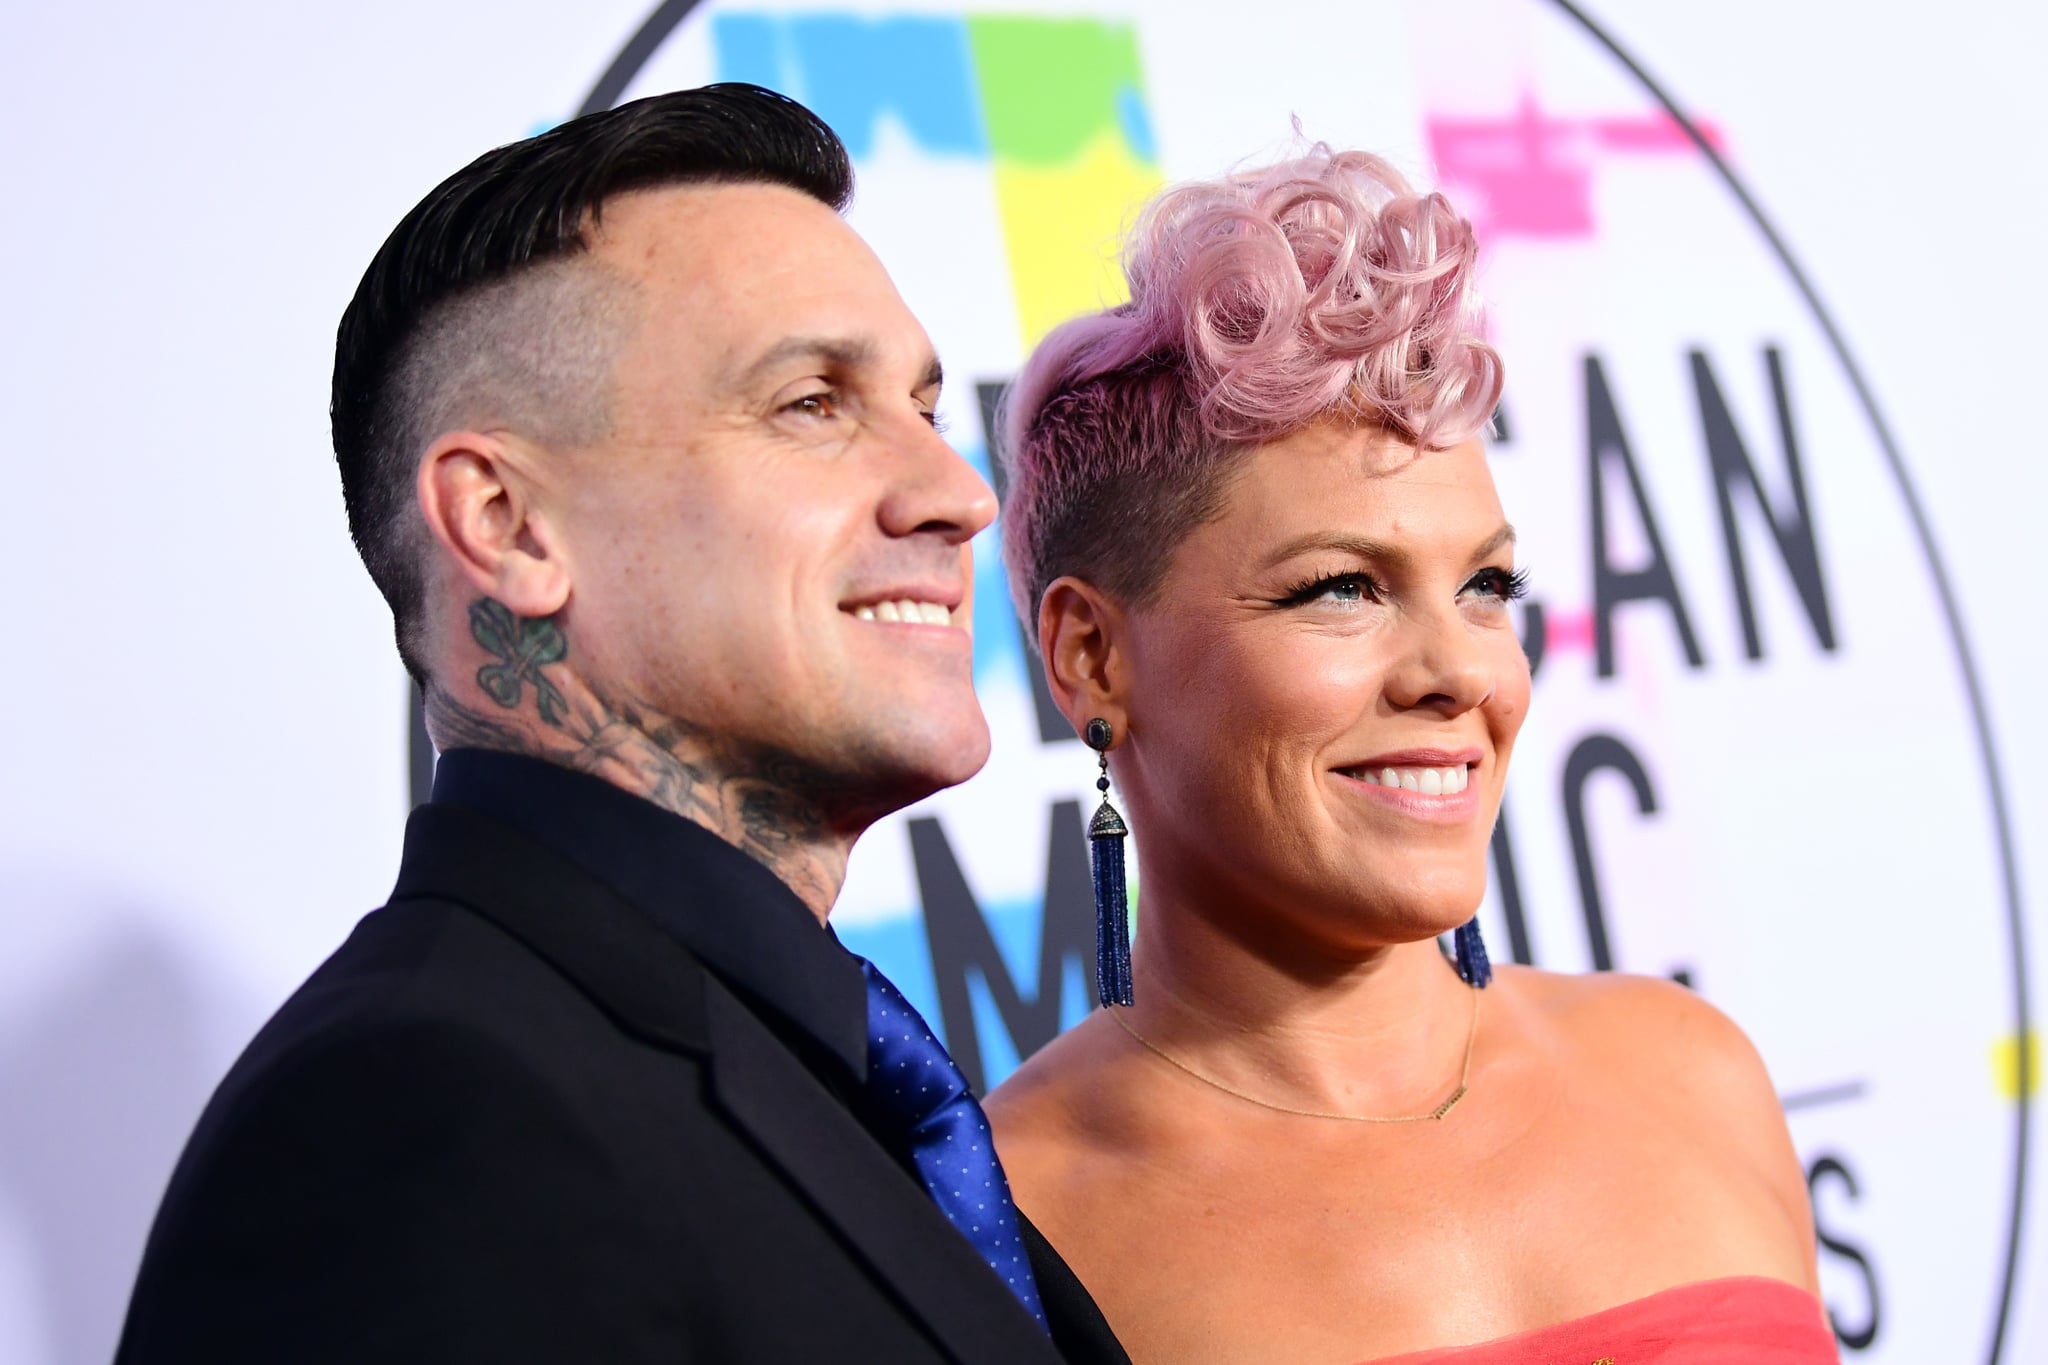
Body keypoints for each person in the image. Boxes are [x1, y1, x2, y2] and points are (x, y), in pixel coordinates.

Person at [115, 85, 1128, 1365]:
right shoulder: (419, 1117)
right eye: (812, 403)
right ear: (506, 525)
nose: (957, 492)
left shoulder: (809, 1071)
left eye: (920, 409)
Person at [985, 147, 1838, 1363]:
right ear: (1088, 658)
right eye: (1340, 588)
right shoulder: (1000, 1233)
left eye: (1486, 585)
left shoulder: (1691, 1073)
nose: (1459, 673)